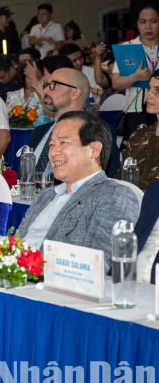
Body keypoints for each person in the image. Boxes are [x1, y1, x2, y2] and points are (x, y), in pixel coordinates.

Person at [18, 112, 140, 272]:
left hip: (55, 287)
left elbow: (97, 264)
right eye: (52, 145)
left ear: (94, 150)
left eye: (63, 143)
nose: (53, 152)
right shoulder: (45, 195)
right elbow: (15, 244)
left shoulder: (114, 194)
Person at [27, 67, 117, 178]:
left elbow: (105, 177)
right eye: (46, 85)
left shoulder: (96, 131)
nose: (45, 90)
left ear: (75, 93)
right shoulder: (39, 131)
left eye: (54, 85)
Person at [111, 5, 159, 138]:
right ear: (137, 24)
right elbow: (115, 83)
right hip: (136, 110)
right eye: (143, 22)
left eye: (153, 21)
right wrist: (135, 77)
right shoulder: (127, 47)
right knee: (136, 153)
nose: (148, 26)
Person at [116, 69, 159, 190]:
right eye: (149, 88)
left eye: (157, 91)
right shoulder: (139, 136)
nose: (148, 95)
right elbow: (120, 179)